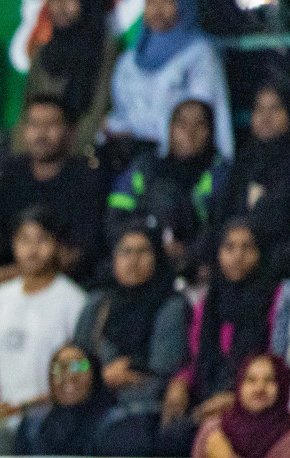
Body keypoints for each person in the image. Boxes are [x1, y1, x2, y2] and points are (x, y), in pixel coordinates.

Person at [0, 95, 107, 296]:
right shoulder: (13, 172)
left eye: (51, 125)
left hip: (63, 285)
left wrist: (7, 276)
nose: (41, 134)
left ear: (71, 131)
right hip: (7, 282)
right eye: (34, 124)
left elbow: (76, 255)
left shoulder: (87, 180)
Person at [161, 219, 276, 448]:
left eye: (247, 247)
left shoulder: (277, 298)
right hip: (209, 396)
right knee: (169, 434)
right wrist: (180, 383)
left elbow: (277, 367)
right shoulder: (208, 303)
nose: (237, 256)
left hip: (258, 403)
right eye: (229, 247)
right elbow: (193, 358)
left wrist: (238, 398)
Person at [0, 209, 87, 415]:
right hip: (1, 421)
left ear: (56, 245)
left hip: (51, 416)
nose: (32, 250)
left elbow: (78, 371)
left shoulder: (74, 301)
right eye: (25, 240)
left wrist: (25, 409)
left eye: (42, 240)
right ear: (13, 244)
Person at [74, 221, 188, 410]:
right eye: (125, 251)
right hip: (91, 404)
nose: (133, 260)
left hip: (144, 407)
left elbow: (162, 371)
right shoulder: (97, 304)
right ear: (114, 258)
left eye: (143, 251)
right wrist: (102, 378)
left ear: (157, 258)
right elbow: (75, 363)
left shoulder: (170, 306)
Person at [105, 0, 231, 164]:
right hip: (131, 158)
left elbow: (205, 113)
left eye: (167, 2)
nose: (158, 9)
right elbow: (121, 110)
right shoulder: (130, 58)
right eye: (151, 2)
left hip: (180, 161)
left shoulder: (200, 53)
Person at [104, 98, 225, 269]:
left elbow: (222, 228)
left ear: (211, 131)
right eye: (182, 124)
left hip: (198, 267)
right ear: (170, 129)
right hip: (142, 262)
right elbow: (115, 219)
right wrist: (149, 245)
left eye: (199, 125)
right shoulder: (145, 168)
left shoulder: (222, 174)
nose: (190, 132)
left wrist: (188, 252)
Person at [202, 80, 290, 276]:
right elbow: (220, 216)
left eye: (275, 108)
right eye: (259, 109)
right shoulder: (244, 162)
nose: (266, 117)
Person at [18, 0, 115, 156]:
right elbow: (27, 113)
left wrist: (63, 162)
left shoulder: (105, 52)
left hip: (78, 157)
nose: (60, 6)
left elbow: (97, 112)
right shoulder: (42, 53)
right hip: (37, 159)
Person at [15, 345, 114, 455]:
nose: (70, 375)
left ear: (94, 374)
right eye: (60, 367)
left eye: (81, 366)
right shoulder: (32, 428)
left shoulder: (114, 427)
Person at [193, 354, 290, 458]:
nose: (259, 388)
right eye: (251, 380)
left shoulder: (286, 439)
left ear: (282, 386)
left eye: (270, 380)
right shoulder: (213, 430)